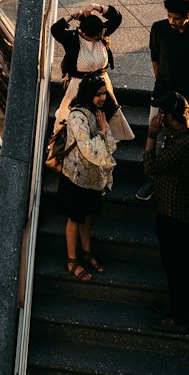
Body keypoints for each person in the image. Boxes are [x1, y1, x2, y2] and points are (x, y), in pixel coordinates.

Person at [136, 0, 189, 202]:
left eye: (176, 18)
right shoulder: (159, 28)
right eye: (169, 16)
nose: (171, 21)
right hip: (162, 93)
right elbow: (155, 56)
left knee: (184, 137)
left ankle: (184, 181)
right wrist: (159, 80)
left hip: (188, 97)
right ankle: (150, 180)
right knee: (156, 133)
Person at [143, 91, 189, 333]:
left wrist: (151, 135)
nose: (158, 118)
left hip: (173, 216)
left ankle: (177, 318)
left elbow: (150, 167)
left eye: (161, 114)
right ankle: (175, 307)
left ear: (170, 117)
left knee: (176, 267)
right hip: (183, 210)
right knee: (177, 265)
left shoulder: (182, 145)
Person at [57, 75, 117, 282]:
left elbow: (109, 146)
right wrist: (103, 132)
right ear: (88, 94)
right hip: (74, 177)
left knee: (86, 216)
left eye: (103, 93)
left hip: (90, 177)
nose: (102, 98)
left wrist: (103, 132)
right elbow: (89, 149)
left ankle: (87, 252)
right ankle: (72, 261)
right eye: (97, 94)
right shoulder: (77, 117)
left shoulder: (96, 112)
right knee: (74, 218)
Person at [51, 6, 133, 141]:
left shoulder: (101, 33)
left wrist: (97, 7)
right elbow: (55, 29)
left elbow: (117, 17)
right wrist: (72, 15)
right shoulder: (72, 39)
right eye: (96, 38)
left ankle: (104, 140)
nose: (100, 39)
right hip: (79, 85)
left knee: (105, 114)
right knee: (76, 118)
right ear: (84, 34)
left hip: (101, 82)